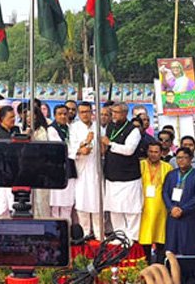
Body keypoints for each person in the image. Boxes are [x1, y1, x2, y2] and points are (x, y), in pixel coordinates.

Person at [102, 102, 143, 243]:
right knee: (114, 209)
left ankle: (132, 237)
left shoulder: (133, 130)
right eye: (112, 112)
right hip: (112, 176)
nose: (113, 115)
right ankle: (119, 236)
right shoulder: (110, 126)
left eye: (116, 112)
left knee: (131, 210)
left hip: (129, 177)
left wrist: (110, 144)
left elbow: (129, 150)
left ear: (125, 113)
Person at [162, 147, 195, 255]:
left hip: (189, 218)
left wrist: (183, 209)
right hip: (173, 217)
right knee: (171, 249)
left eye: (184, 157)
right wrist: (171, 208)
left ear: (191, 158)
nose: (181, 160)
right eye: (178, 158)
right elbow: (165, 193)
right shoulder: (171, 175)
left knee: (189, 248)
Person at [70, 101, 102, 238]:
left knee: (97, 203)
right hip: (81, 170)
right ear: (78, 113)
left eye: (87, 111)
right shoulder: (74, 127)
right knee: (82, 203)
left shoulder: (98, 127)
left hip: (96, 170)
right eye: (82, 112)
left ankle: (99, 235)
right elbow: (71, 147)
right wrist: (82, 146)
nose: (85, 115)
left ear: (91, 112)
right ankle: (85, 233)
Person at [139, 141, 172, 263]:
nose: (153, 155)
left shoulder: (167, 167)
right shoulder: (141, 165)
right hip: (144, 208)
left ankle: (160, 267)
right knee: (145, 240)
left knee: (160, 240)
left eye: (156, 152)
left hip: (161, 209)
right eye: (151, 152)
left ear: (161, 153)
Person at [48, 104, 76, 221]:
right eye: (60, 114)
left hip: (70, 168)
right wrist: (77, 151)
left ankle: (67, 228)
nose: (63, 116)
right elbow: (60, 147)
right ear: (54, 116)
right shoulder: (51, 129)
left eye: (65, 114)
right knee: (55, 204)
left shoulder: (71, 128)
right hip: (56, 169)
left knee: (68, 203)